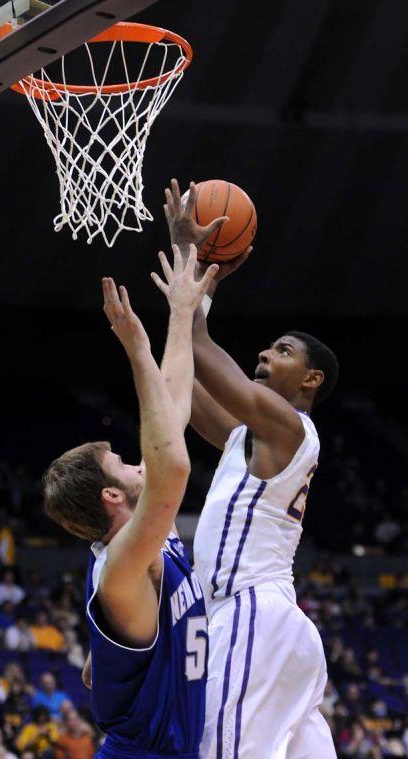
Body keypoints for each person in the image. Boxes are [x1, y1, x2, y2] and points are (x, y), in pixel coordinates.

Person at [160, 178, 339, 758]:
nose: (265, 353)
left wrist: (200, 282)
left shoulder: (291, 428)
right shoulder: (249, 437)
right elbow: (185, 373)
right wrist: (194, 265)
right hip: (277, 628)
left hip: (251, 616)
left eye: (283, 351)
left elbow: (217, 367)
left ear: (311, 381)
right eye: (268, 347)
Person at [42, 252, 218, 758]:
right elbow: (174, 469)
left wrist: (183, 307)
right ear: (112, 495)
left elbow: (173, 407)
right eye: (123, 462)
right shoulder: (121, 566)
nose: (140, 463)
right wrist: (137, 346)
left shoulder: (139, 540)